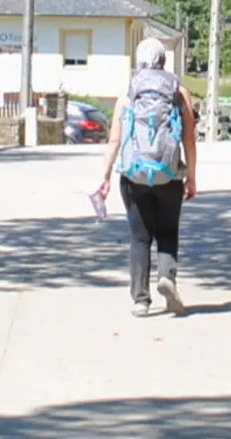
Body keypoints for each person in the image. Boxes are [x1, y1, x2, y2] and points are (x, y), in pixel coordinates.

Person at [99, 38, 199, 317]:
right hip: (169, 175)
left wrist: (105, 177)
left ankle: (141, 300)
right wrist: (191, 177)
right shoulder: (179, 93)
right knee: (168, 232)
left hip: (134, 176)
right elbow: (189, 140)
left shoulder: (128, 94)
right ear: (163, 62)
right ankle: (166, 276)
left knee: (140, 237)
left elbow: (114, 140)